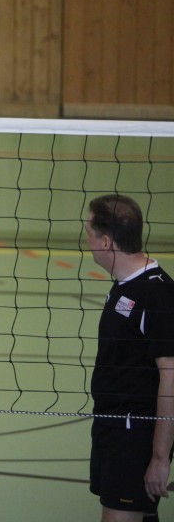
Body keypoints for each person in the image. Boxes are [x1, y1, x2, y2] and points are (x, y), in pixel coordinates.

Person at [85, 194, 174, 522]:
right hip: (113, 429)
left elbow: (172, 378)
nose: (87, 240)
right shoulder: (124, 286)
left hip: (133, 435)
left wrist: (160, 458)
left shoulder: (157, 294)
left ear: (106, 242)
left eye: (89, 233)